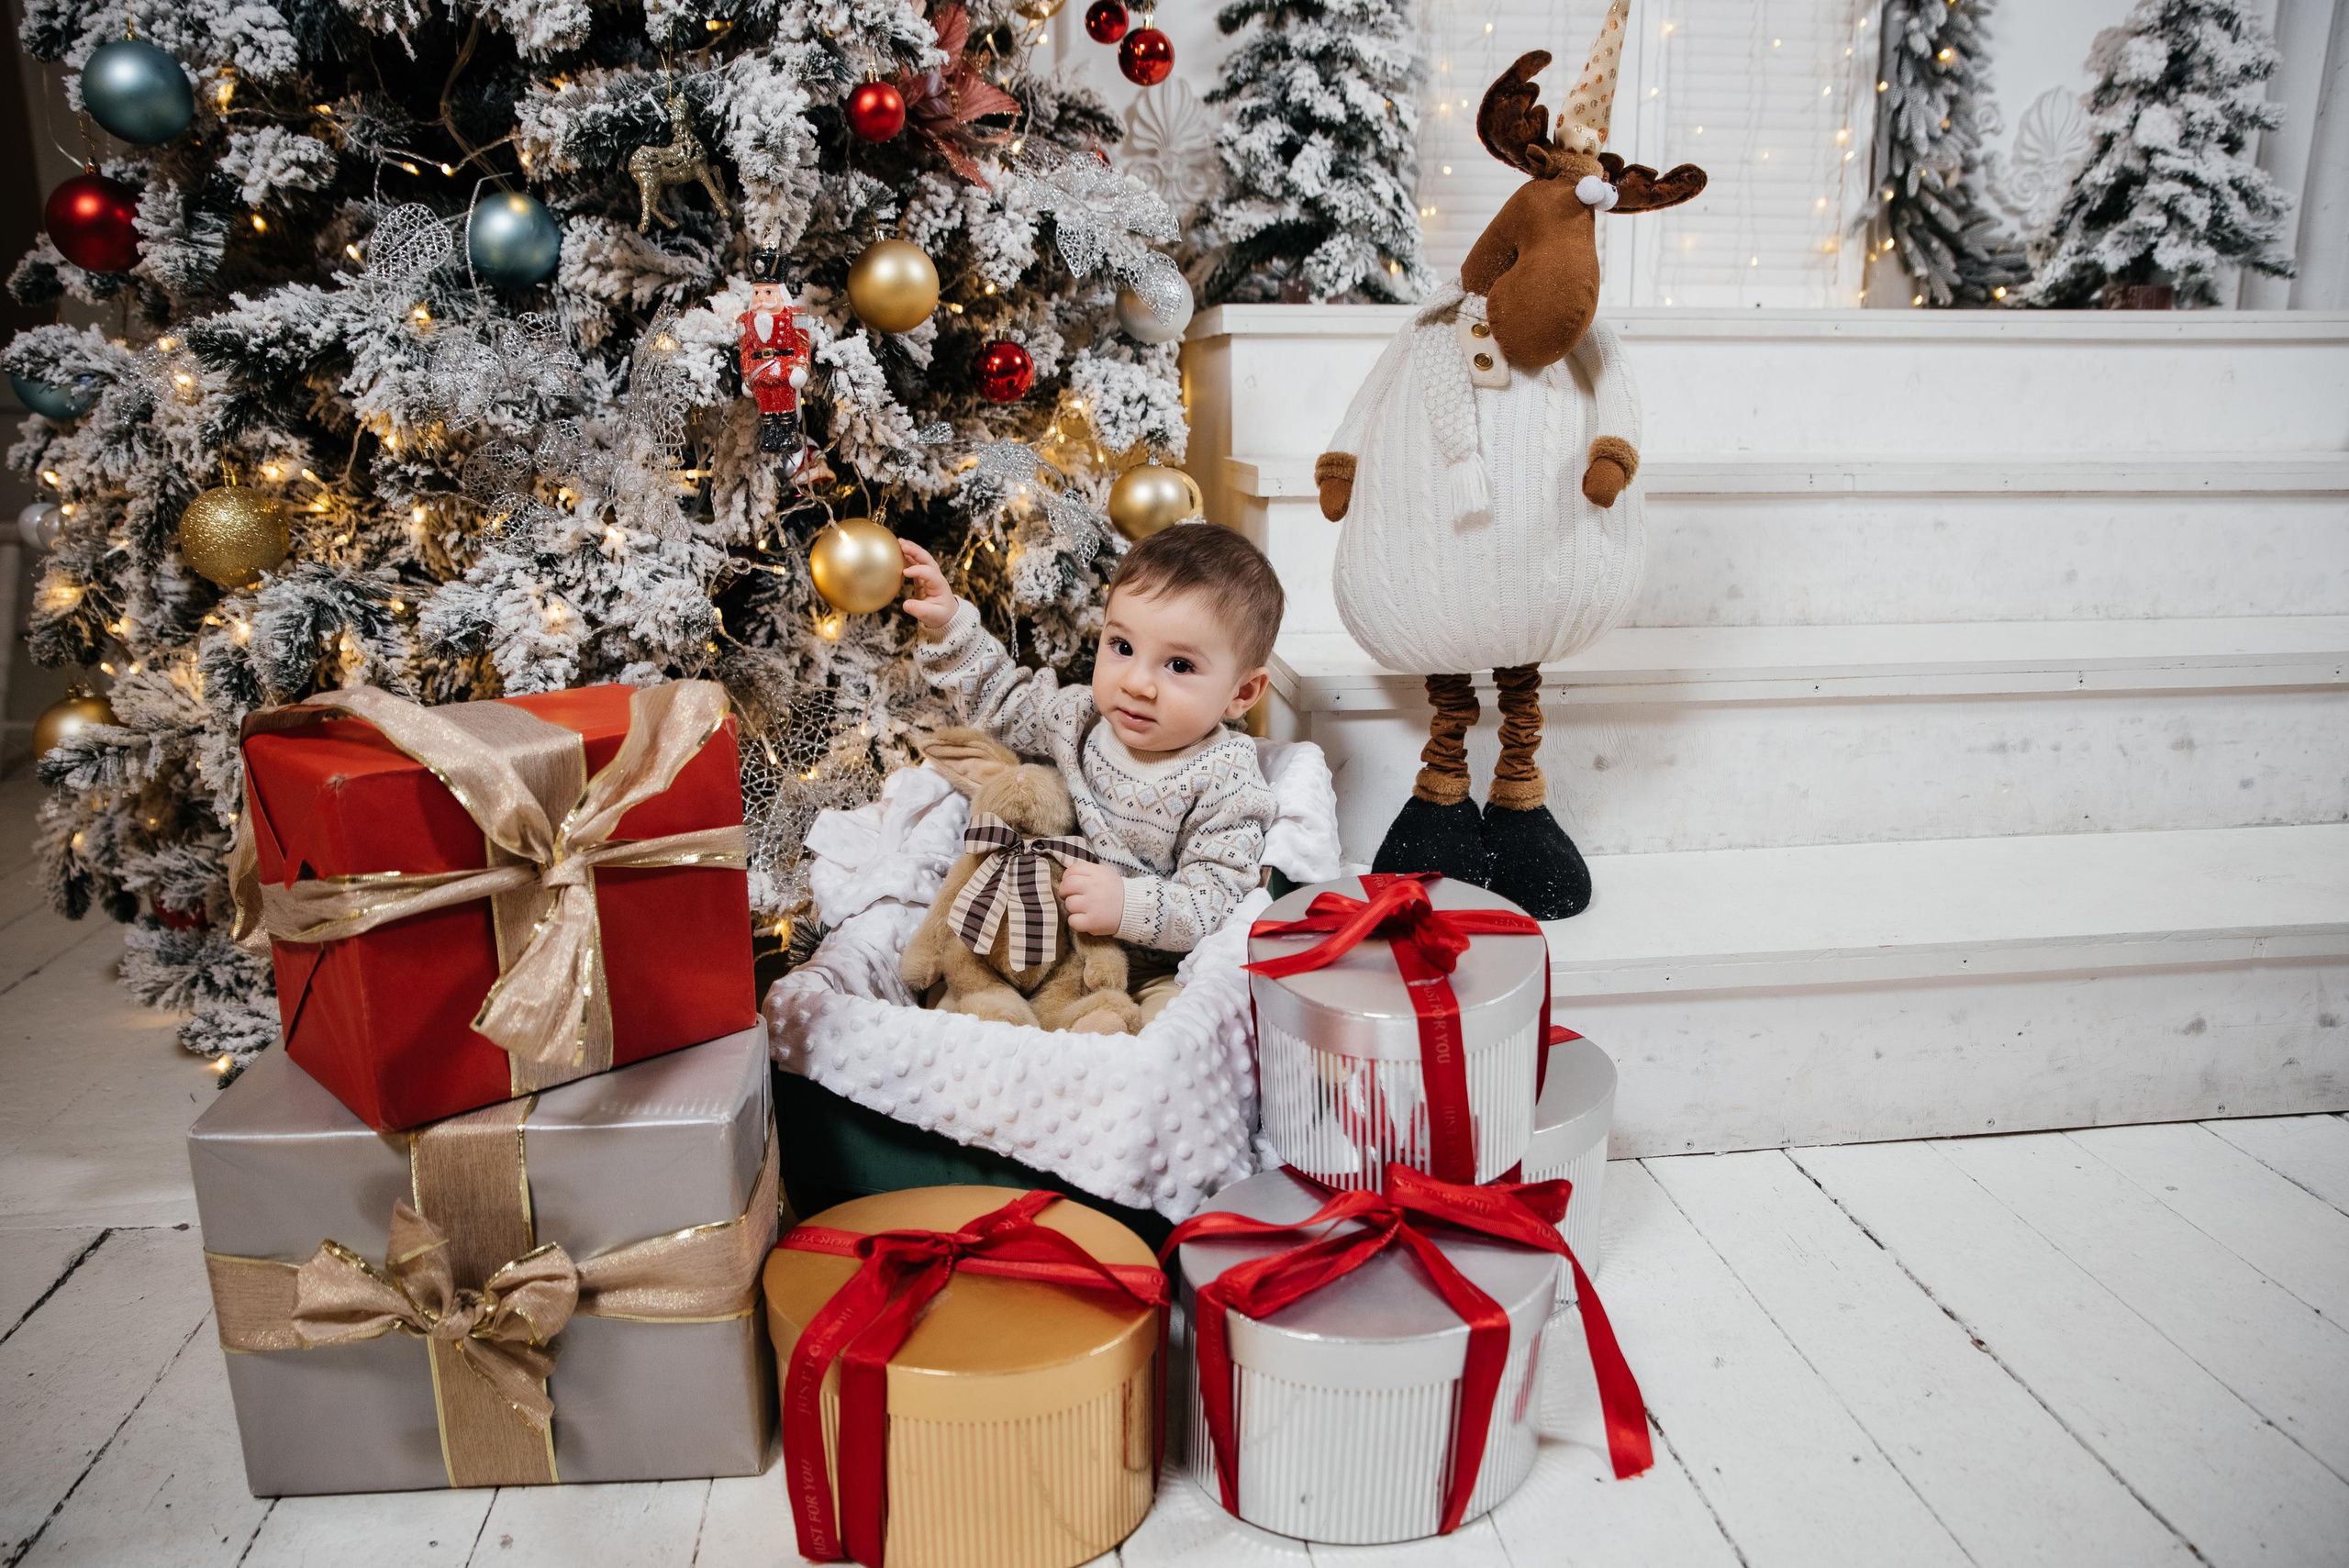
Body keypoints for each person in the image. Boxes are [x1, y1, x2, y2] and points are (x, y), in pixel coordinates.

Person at [899, 521, 1285, 1023]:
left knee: (1176, 1024)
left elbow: (1216, 902)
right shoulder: (1078, 720)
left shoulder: (1225, 775)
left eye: (1180, 667)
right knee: (959, 995)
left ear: (1242, 694)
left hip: (1151, 965)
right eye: (1122, 648)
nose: (1138, 684)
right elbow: (1005, 702)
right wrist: (951, 625)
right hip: (1046, 945)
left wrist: (1126, 904)